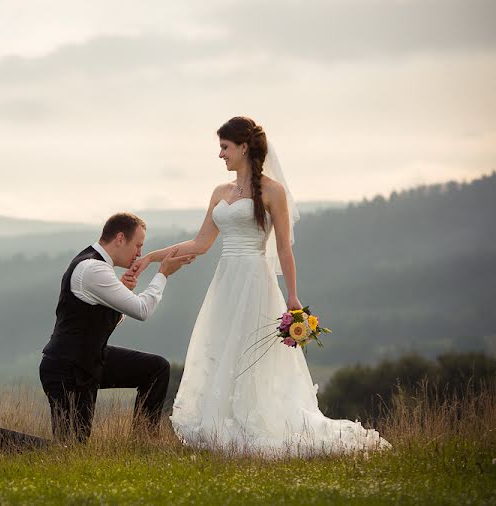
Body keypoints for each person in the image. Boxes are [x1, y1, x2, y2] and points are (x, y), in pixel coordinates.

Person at [127, 117, 391, 456]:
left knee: (251, 352)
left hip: (255, 281)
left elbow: (283, 249)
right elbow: (200, 243)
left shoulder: (272, 192)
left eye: (224, 147)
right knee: (223, 349)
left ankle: (255, 422)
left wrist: (293, 297)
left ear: (244, 147)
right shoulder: (220, 193)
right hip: (225, 283)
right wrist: (151, 257)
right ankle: (223, 425)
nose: (220, 155)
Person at [0, 213, 195, 453]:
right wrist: (163, 275)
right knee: (70, 451)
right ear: (120, 238)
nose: (140, 253)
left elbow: (99, 321)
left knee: (156, 369)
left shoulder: (98, 268)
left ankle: (143, 445)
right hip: (67, 369)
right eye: (138, 245)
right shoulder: (93, 269)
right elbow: (142, 310)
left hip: (89, 360)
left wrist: (120, 296)